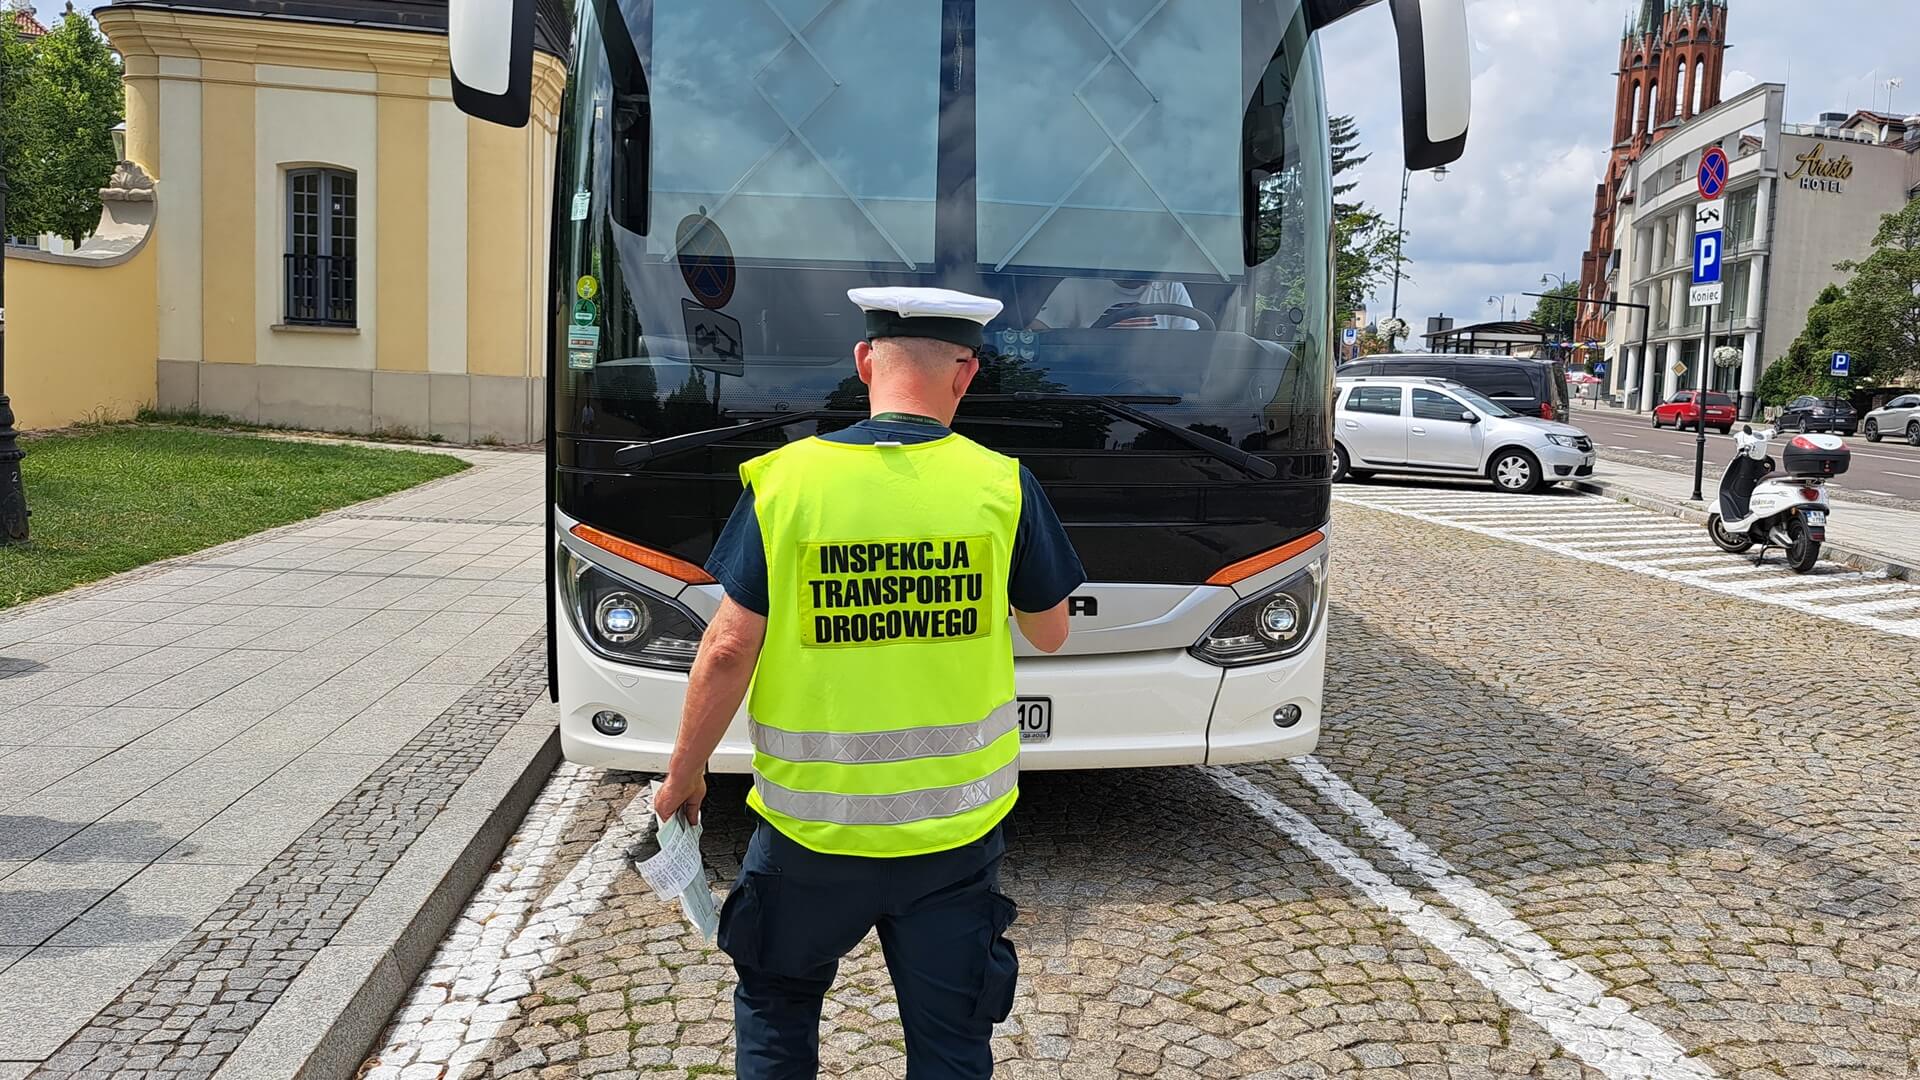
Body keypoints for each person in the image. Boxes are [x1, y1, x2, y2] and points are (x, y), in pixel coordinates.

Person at [651, 286, 1088, 1080]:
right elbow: (1050, 632)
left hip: (808, 838)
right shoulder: (1002, 483)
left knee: (778, 1011)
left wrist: (684, 774)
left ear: (863, 362)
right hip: (952, 842)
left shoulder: (786, 481)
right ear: (966, 373)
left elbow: (727, 648)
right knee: (952, 1047)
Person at [1030, 276, 1199, 330]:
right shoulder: (1077, 284)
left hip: (1159, 389)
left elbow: (1189, 347)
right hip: (1090, 390)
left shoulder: (1170, 286)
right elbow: (1037, 333)